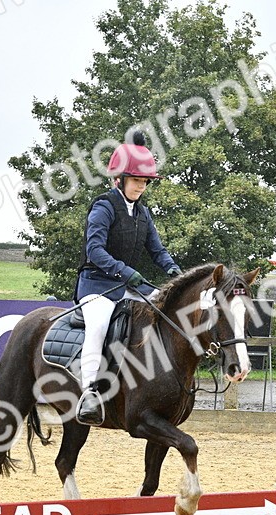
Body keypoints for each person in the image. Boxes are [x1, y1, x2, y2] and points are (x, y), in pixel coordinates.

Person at [74, 131, 183, 426]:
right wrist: (126, 272)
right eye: (136, 180)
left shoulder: (143, 214)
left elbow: (156, 250)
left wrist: (175, 271)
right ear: (118, 179)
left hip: (128, 286)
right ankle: (89, 394)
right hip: (97, 285)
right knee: (98, 327)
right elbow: (94, 250)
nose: (141, 186)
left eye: (145, 182)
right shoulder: (104, 207)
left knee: (162, 315)